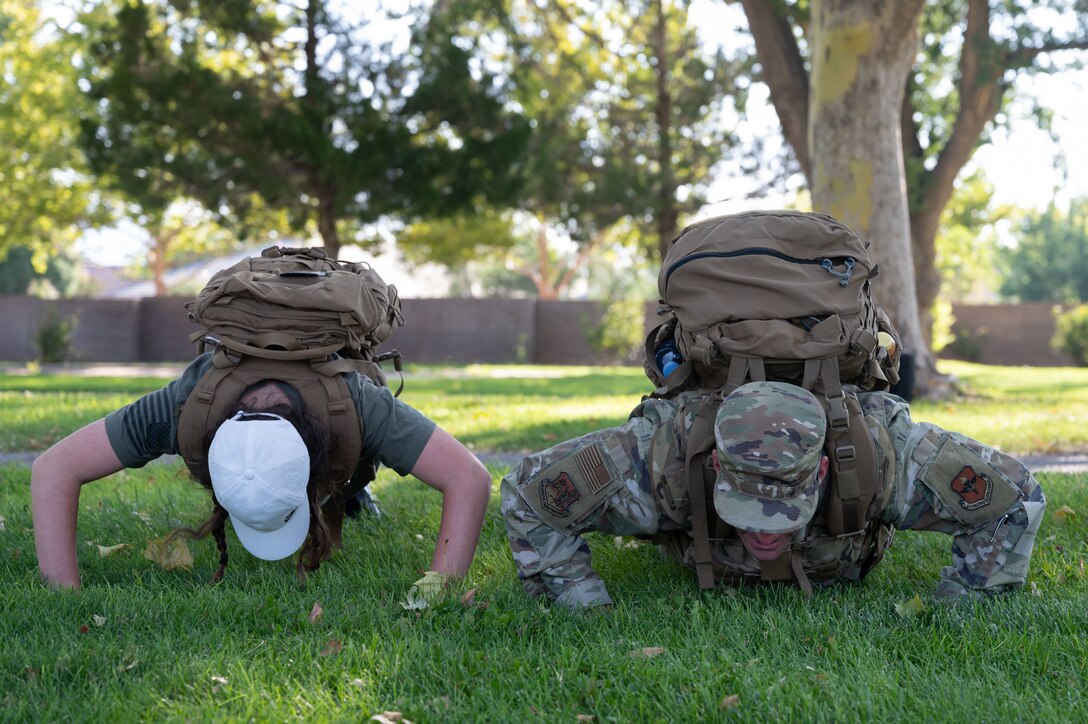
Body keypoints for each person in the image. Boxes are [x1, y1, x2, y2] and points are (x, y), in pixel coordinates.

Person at [501, 380, 1045, 608]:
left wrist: (964, 606)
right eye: (747, 505)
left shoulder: (886, 455)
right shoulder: (655, 462)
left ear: (825, 469)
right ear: (715, 463)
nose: (763, 529)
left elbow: (1014, 499)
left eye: (784, 508)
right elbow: (529, 494)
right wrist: (581, 602)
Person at [31, 351, 492, 591]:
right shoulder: (185, 408)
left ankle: (351, 492)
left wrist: (441, 589)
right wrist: (65, 596)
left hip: (341, 448)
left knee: (350, 480)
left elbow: (469, 479)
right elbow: (53, 469)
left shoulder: (358, 406)